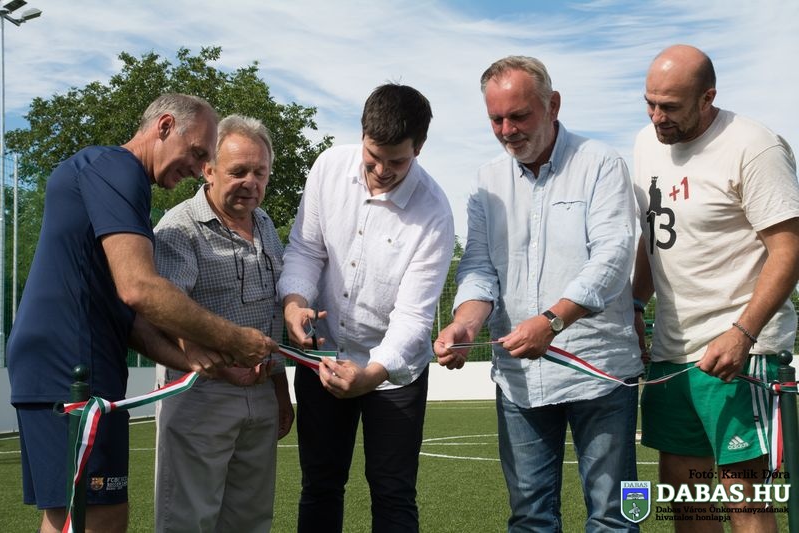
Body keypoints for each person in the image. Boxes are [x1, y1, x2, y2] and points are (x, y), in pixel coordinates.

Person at [7, 94, 278, 533]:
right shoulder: (118, 169)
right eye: (197, 153)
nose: (199, 168)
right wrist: (234, 340)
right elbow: (140, 289)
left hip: (80, 363)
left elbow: (127, 315)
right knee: (97, 518)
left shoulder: (114, 178)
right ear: (165, 125)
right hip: (69, 366)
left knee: (74, 517)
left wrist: (195, 360)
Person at [434, 56, 642, 532]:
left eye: (519, 116)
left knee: (614, 518)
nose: (507, 130)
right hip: (520, 378)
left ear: (553, 106)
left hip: (599, 371)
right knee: (530, 518)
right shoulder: (487, 181)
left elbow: (612, 257)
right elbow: (479, 267)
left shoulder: (601, 163)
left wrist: (552, 321)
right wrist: (465, 325)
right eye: (496, 119)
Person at [632, 44, 799, 532]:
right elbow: (653, 237)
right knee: (687, 501)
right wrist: (636, 305)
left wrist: (743, 332)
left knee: (744, 501)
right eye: (649, 103)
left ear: (707, 98)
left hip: (740, 354)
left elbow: (789, 250)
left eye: (670, 106)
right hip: (671, 356)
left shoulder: (754, 146)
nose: (657, 117)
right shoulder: (645, 143)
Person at [278, 83, 455, 533]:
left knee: (393, 491)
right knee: (320, 485)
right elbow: (306, 250)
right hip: (324, 357)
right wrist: (295, 304)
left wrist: (373, 374)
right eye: (372, 157)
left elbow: (414, 316)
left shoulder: (434, 212)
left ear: (419, 148)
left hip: (394, 373)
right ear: (362, 134)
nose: (381, 171)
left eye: (397, 162)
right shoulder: (328, 167)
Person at [153, 115, 294, 532]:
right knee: (188, 522)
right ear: (208, 170)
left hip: (261, 394)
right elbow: (162, 312)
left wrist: (280, 391)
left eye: (260, 172)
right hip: (202, 395)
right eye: (238, 171)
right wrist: (213, 361)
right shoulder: (179, 228)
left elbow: (271, 314)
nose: (251, 182)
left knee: (251, 521)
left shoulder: (265, 225)